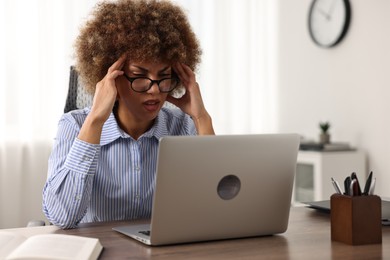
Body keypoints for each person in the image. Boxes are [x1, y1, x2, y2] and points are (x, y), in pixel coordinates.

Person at [43, 0, 214, 229]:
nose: (154, 89)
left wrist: (202, 118)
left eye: (163, 76)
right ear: (111, 78)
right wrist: (95, 120)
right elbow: (62, 217)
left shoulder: (183, 127)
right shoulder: (75, 125)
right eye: (139, 76)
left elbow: (213, 209)